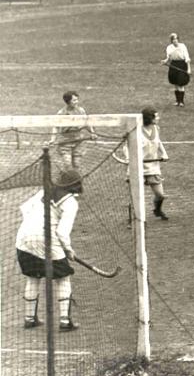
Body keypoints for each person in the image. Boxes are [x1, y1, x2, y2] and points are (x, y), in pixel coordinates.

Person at [16, 168, 83, 331]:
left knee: (33, 276)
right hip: (47, 240)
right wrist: (68, 250)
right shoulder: (71, 203)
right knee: (63, 278)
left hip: (23, 237)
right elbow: (62, 231)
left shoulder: (44, 191)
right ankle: (65, 322)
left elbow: (24, 209)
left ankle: (30, 319)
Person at [50, 91, 97, 170]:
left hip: (78, 142)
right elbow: (56, 127)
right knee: (67, 164)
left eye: (77, 100)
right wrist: (52, 139)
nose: (76, 102)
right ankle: (66, 180)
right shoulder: (61, 113)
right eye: (74, 100)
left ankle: (76, 181)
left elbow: (86, 123)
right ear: (68, 102)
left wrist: (92, 133)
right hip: (65, 143)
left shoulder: (81, 111)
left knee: (77, 164)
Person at [140, 107, 170, 220]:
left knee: (160, 195)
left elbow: (158, 141)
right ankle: (133, 218)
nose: (158, 118)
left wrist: (164, 153)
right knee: (136, 197)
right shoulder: (137, 130)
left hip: (152, 167)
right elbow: (126, 147)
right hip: (138, 167)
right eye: (156, 116)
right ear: (149, 118)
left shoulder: (156, 128)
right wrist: (129, 159)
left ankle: (157, 210)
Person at [161, 33, 191, 107]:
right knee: (175, 84)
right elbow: (168, 57)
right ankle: (177, 101)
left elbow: (187, 58)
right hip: (174, 65)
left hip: (182, 64)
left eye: (176, 39)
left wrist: (189, 68)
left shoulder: (183, 46)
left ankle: (181, 101)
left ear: (178, 39)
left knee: (180, 83)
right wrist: (165, 61)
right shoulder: (169, 47)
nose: (175, 41)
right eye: (173, 39)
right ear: (171, 41)